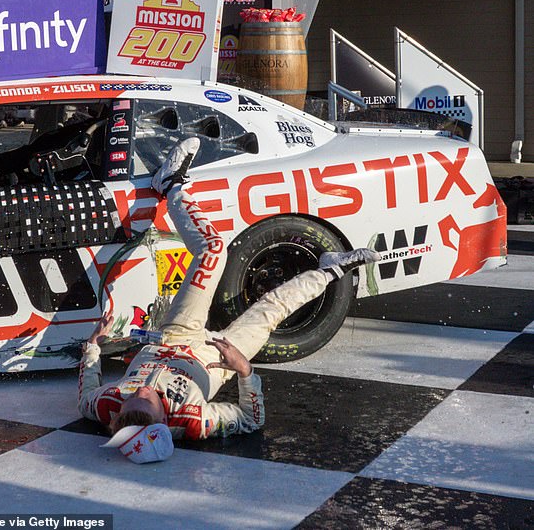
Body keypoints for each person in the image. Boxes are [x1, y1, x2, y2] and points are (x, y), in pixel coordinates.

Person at [78, 138, 380, 462]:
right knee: (270, 310)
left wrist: (93, 346)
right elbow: (252, 420)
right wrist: (245, 371)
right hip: (217, 362)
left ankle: (170, 185)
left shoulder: (107, 405)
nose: (138, 390)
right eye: (146, 398)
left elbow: (85, 398)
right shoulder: (194, 421)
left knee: (213, 250)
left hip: (176, 333)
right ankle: (331, 270)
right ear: (163, 420)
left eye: (131, 397)